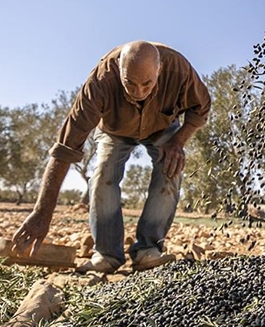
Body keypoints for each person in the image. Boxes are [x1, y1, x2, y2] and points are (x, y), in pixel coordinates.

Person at [11, 40, 211, 274]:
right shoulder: (99, 83)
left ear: (160, 70)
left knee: (171, 168)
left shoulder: (179, 69)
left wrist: (178, 141)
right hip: (114, 129)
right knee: (103, 173)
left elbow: (202, 107)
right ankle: (106, 255)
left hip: (161, 127)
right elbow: (65, 149)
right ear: (119, 70)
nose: (139, 93)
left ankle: (148, 249)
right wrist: (41, 213)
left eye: (147, 84)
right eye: (130, 84)